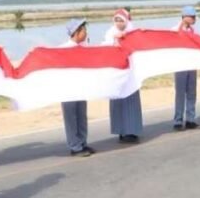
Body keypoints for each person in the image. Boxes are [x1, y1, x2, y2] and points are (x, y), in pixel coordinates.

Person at [103, 9, 143, 143]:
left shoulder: (132, 33)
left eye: (122, 20)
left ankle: (131, 130)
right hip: (117, 73)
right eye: (117, 20)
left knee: (130, 102)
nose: (119, 23)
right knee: (118, 102)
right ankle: (121, 130)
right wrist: (116, 40)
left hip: (130, 73)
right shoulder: (110, 34)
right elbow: (107, 51)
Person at [59, 19, 95, 157]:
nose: (86, 33)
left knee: (81, 116)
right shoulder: (63, 49)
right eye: (84, 30)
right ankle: (75, 146)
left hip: (81, 87)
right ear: (77, 32)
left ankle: (83, 143)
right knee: (71, 118)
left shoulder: (84, 48)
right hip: (68, 90)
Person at [172, 6, 199, 130]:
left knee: (192, 93)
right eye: (192, 17)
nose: (194, 19)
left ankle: (190, 119)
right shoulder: (174, 30)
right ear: (184, 17)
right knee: (180, 94)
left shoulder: (193, 31)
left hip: (192, 65)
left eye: (194, 16)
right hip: (180, 65)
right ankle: (178, 120)